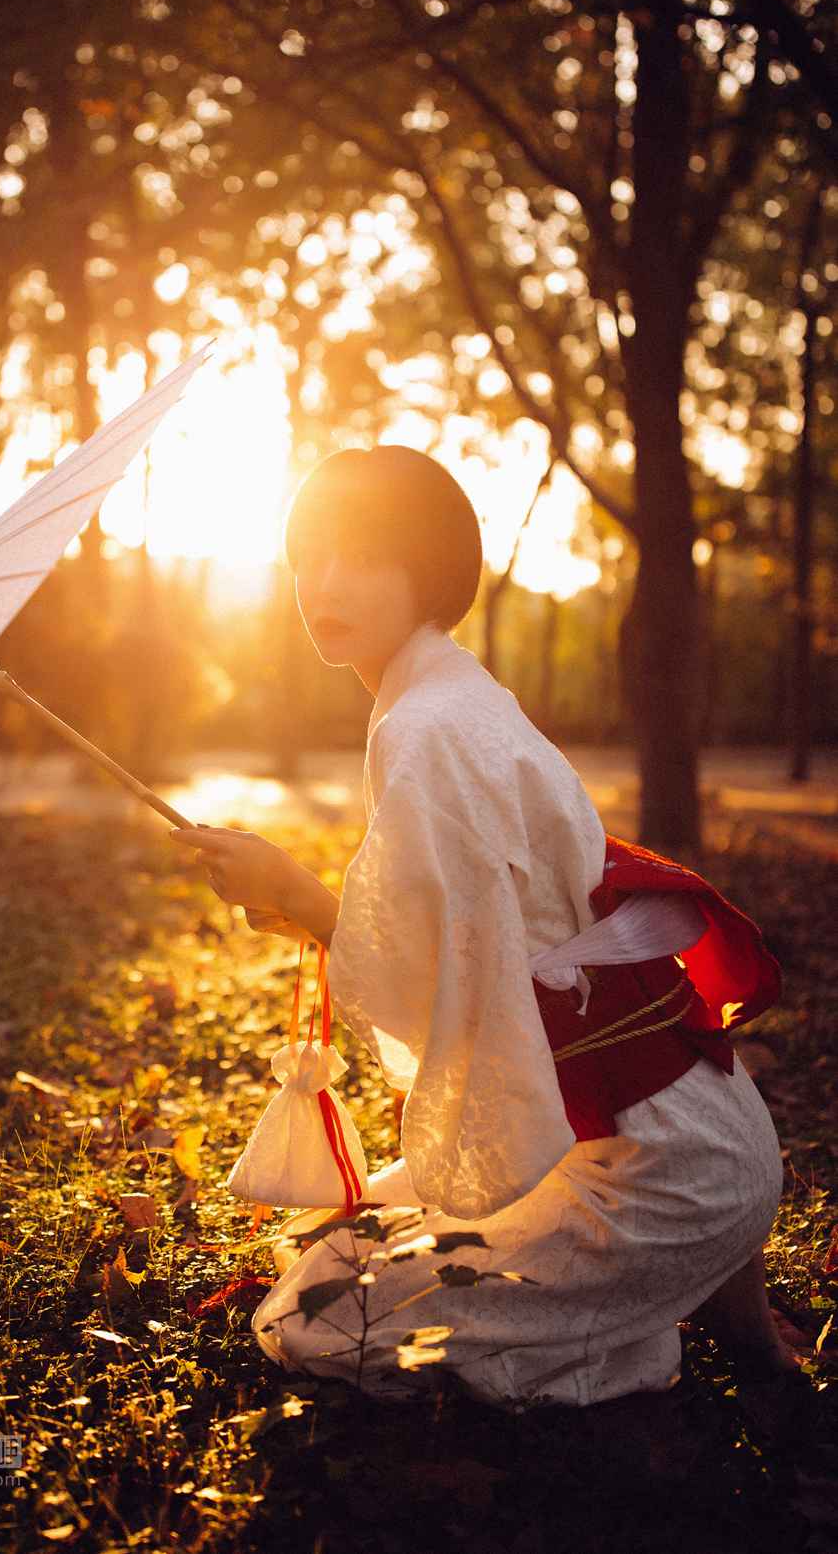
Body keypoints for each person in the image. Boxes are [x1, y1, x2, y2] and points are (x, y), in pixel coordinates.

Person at [168, 444, 804, 1411]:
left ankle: (629, 1341)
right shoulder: (452, 696)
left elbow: (457, 992)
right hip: (708, 1143)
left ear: (429, 569)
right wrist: (302, 901)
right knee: (344, 1227)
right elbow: (486, 960)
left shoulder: (430, 727)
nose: (324, 584)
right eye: (309, 555)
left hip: (661, 1180)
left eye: (361, 556)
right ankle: (658, 1296)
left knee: (317, 1314)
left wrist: (296, 891)